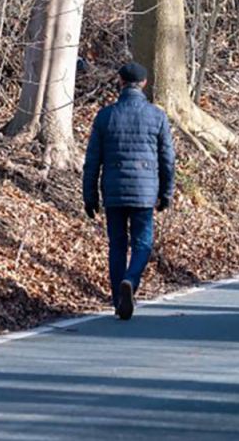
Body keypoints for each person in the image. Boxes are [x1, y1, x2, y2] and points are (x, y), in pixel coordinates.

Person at [82, 62, 175, 320]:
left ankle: (118, 301)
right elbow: (167, 159)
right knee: (143, 244)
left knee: (118, 246)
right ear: (144, 84)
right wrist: (166, 193)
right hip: (144, 192)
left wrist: (89, 195)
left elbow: (92, 160)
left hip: (113, 192)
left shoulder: (105, 116)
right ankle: (131, 281)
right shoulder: (157, 116)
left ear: (120, 82)